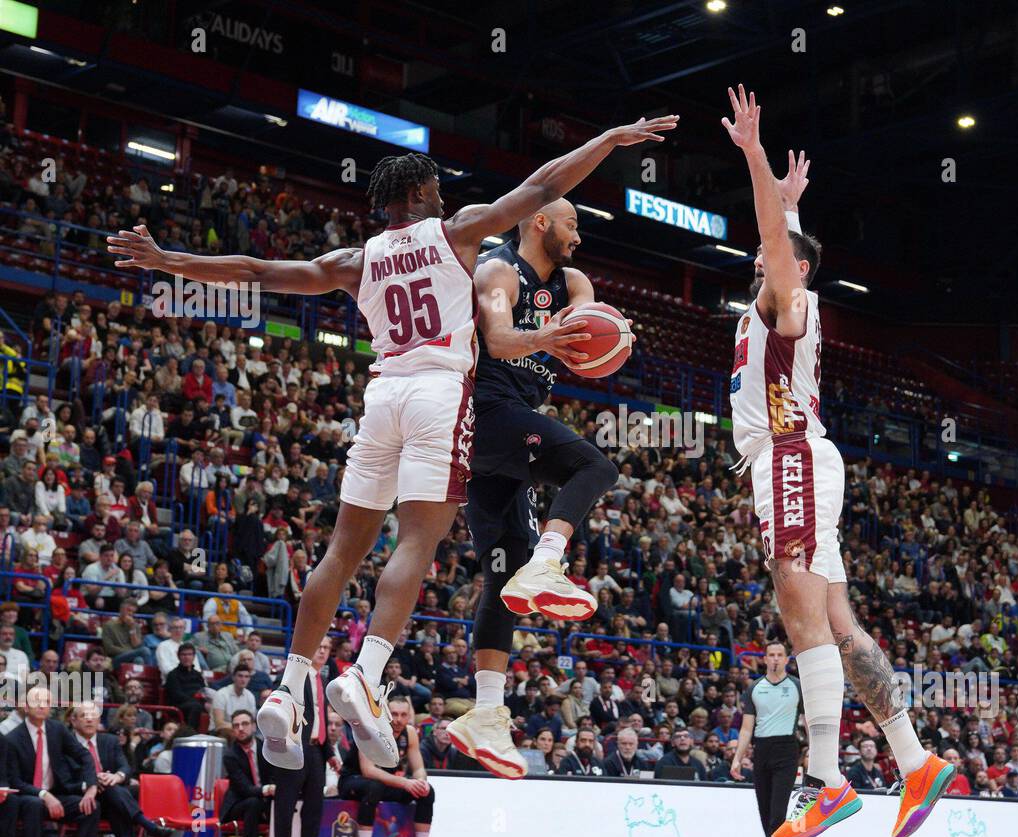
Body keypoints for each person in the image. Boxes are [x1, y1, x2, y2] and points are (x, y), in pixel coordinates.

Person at [110, 114, 678, 774]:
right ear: (416, 197)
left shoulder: (356, 260)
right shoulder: (457, 231)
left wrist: (168, 261)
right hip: (439, 392)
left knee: (343, 550)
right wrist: (606, 140)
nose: (441, 192)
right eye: (433, 186)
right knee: (417, 540)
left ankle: (289, 686)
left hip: (381, 396)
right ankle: (366, 672)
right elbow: (544, 183)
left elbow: (258, 271)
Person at [722, 88, 948, 837]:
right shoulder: (784, 303)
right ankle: (915, 761)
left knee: (800, 612)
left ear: (797, 267)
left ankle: (827, 781)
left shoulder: (789, 299)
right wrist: (788, 207)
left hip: (789, 457)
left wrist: (755, 158)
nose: (760, 255)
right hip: (802, 460)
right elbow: (778, 241)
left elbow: (776, 246)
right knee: (841, 627)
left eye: (774, 251)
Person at [447, 196, 631, 778]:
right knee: (594, 467)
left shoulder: (574, 280)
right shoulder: (499, 270)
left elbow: (588, 326)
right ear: (542, 222)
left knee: (502, 577)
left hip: (502, 442)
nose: (580, 234)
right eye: (574, 223)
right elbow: (499, 337)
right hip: (489, 409)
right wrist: (544, 338)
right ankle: (549, 561)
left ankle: (485, 711)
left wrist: (612, 337)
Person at [4, 685, 101, 837]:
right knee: (34, 805)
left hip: (57, 793)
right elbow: (15, 782)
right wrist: (44, 795)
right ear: (25, 707)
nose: (42, 705)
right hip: (27, 796)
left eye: (46, 702)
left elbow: (84, 755)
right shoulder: (12, 739)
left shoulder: (57, 729)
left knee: (91, 806)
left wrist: (91, 786)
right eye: (36, 701)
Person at [67, 702, 172, 837]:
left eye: (93, 716)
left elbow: (125, 767)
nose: (89, 720)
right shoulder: (66, 744)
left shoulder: (109, 740)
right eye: (84, 716)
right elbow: (65, 778)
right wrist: (93, 782)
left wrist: (116, 776)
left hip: (112, 798)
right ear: (73, 721)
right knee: (114, 795)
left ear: (99, 719)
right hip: (82, 798)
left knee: (114, 794)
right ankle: (146, 829)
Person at [336, 696, 433, 837]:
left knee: (427, 791)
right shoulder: (370, 730)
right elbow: (369, 770)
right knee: (374, 787)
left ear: (409, 715)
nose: (398, 720)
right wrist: (405, 782)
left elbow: (418, 768)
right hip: (353, 780)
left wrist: (420, 781)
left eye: (403, 715)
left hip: (385, 784)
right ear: (385, 713)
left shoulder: (410, 733)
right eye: (394, 714)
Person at [732, 640, 803, 837]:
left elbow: (810, 721)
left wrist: (816, 750)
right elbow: (746, 728)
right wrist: (737, 758)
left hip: (787, 751)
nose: (774, 658)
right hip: (761, 751)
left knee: (777, 818)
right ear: (764, 659)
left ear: (786, 659)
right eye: (770, 654)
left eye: (779, 655)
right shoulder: (754, 688)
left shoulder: (796, 685)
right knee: (766, 820)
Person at [272, 637, 335, 837]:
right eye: (318, 646)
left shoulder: (322, 679)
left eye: (327, 648)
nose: (322, 651)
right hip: (294, 750)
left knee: (313, 813)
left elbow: (322, 720)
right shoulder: (295, 676)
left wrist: (329, 753)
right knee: (285, 812)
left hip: (317, 752)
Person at [219, 710, 273, 837]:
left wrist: (273, 789)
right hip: (239, 804)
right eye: (236, 725)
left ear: (254, 726)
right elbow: (244, 788)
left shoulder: (267, 748)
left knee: (280, 803)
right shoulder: (230, 755)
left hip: (265, 800)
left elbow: (274, 776)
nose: (240, 728)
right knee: (253, 802)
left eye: (245, 724)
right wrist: (268, 789)